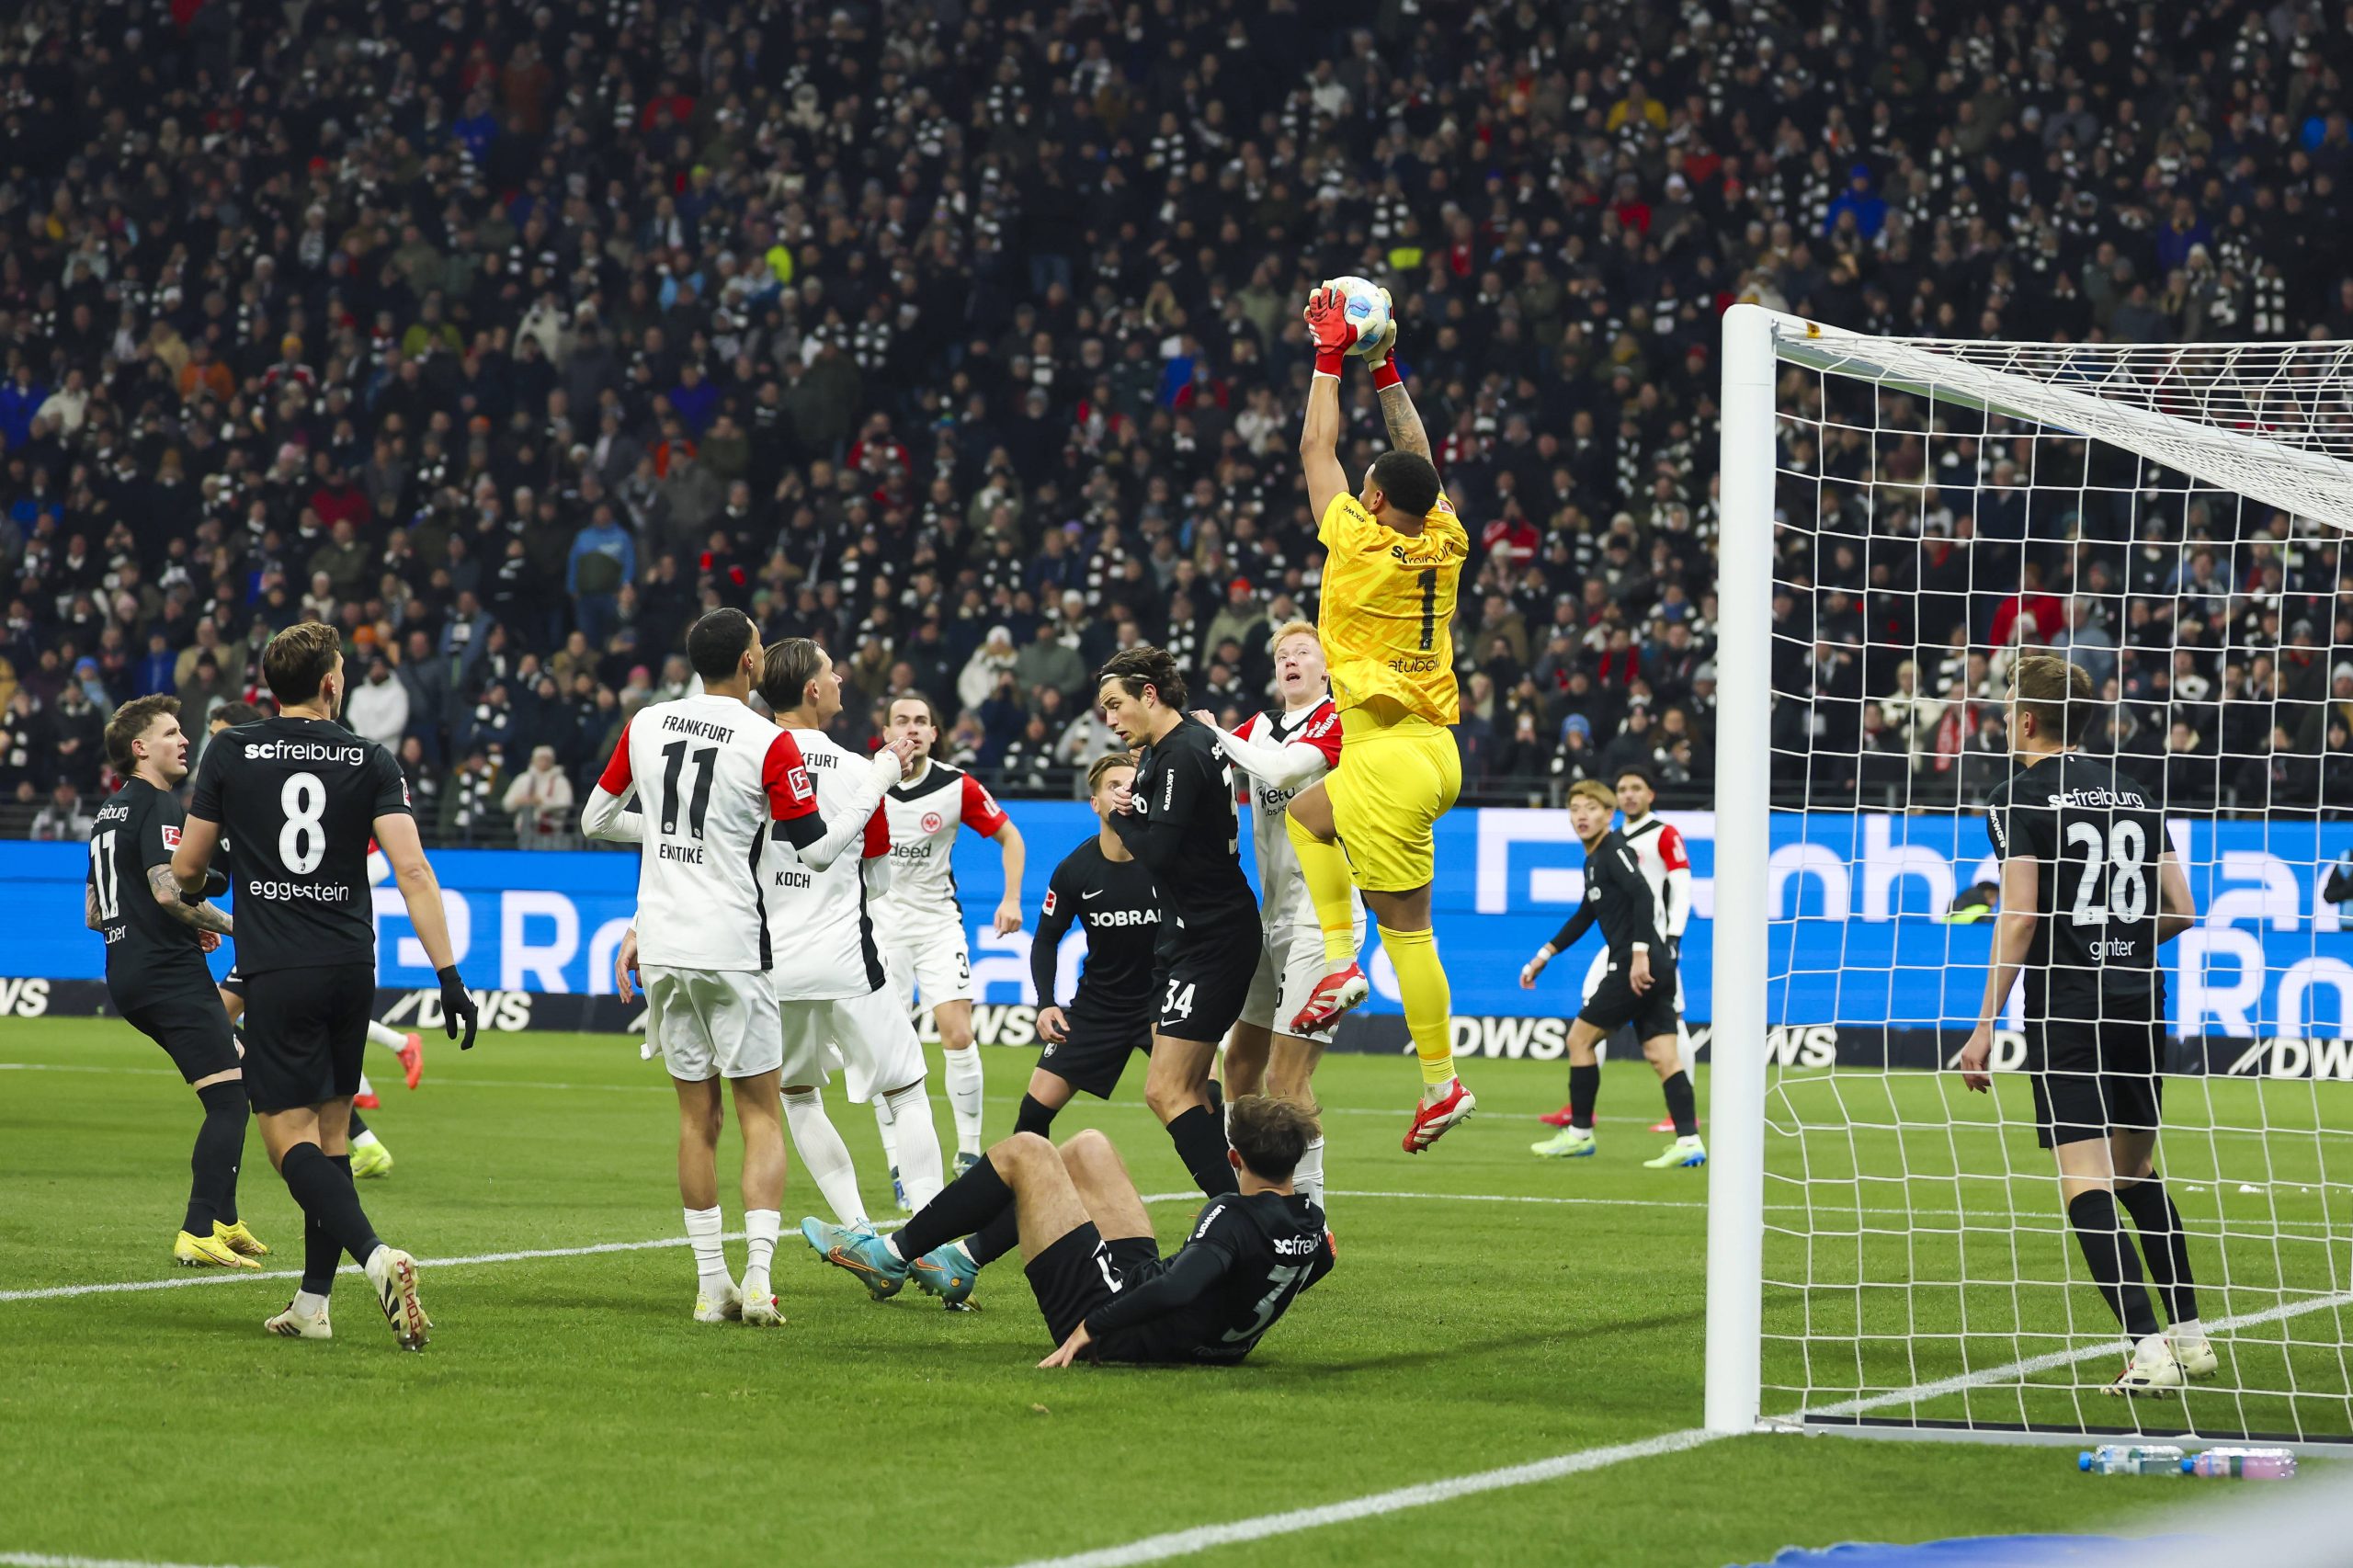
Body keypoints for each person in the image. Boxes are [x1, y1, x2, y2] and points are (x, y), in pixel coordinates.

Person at [584, 608, 916, 1325]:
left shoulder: (645, 724)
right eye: (760, 647)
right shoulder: (768, 742)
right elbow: (819, 850)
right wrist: (882, 771)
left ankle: (712, 1287)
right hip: (734, 947)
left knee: (694, 1119)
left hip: (666, 948)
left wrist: (682, 836)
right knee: (763, 1113)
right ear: (747, 665)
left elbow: (597, 820)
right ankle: (760, 1281)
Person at [169, 622, 478, 1350]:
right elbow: (412, 872)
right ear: (332, 682)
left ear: (271, 688)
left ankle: (376, 1257)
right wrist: (450, 976)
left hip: (277, 968)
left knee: (285, 1142)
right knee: (333, 1136)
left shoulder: (231, 750)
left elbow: (186, 870)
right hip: (349, 964)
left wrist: (227, 875)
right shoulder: (369, 758)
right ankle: (312, 1303)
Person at [1959, 654, 2212, 1395]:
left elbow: (2021, 916)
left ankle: (2147, 1349)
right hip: (2140, 999)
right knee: (2136, 1172)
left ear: (2028, 720)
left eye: (2010, 712)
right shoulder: (2136, 792)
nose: (2008, 724)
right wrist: (2123, 942)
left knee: (2084, 1181)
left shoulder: (2018, 797)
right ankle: (2191, 1337)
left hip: (2069, 1004)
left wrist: (1984, 1026)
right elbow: (2183, 909)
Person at [1283, 285, 1475, 1153]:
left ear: (1371, 496)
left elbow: (1313, 443)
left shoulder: (1356, 540)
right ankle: (1336, 958)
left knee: (1410, 930)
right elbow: (1417, 456)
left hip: (1386, 753)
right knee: (1306, 814)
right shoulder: (1447, 538)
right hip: (1435, 750)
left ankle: (1441, 1081)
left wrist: (1329, 357)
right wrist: (1383, 361)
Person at [807, 1095, 1334, 1367]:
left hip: (1121, 1325)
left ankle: (891, 1255)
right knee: (1087, 1147)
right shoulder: (1310, 1222)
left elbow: (1180, 1287)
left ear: (1235, 1157)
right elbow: (1318, 1261)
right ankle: (960, 1261)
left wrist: (1092, 1327)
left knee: (1028, 1150)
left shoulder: (1232, 1213)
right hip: (1162, 1313)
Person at [206, 701, 420, 1179]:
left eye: (219, 733)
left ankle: (324, 1124)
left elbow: (394, 863)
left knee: (216, 1021)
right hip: (275, 940)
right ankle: (358, 1139)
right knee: (262, 1034)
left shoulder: (281, 788)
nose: (211, 743)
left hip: (293, 940)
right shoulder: (233, 793)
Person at [84, 695, 260, 1269]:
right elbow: (168, 890)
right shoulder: (160, 804)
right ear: (140, 748)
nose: (185, 742)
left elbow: (95, 910)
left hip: (129, 971)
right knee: (229, 1099)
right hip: (167, 975)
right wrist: (239, 930)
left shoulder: (108, 813)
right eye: (172, 733)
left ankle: (226, 1221)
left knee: (242, 1079)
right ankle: (196, 1228)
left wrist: (176, 921)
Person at [1193, 619, 1359, 1207]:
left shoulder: (1337, 721)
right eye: (1282, 654)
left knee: (1289, 1080)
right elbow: (1210, 762)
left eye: (1302, 652)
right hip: (1268, 919)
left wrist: (1218, 737)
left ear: (1325, 666)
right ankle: (1247, 1195)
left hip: (1323, 918)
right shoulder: (1259, 728)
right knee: (1239, 1065)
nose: (1289, 660)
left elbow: (1285, 771)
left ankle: (1310, 1209)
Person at [1095, 643, 1263, 1198]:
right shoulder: (1182, 742)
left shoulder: (1181, 751)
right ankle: (1239, 1200)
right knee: (1188, 1084)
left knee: (1167, 1089)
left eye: (1116, 705)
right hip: (1189, 932)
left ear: (1150, 693)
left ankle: (1234, 1210)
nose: (1111, 720)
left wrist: (1122, 819)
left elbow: (1160, 852)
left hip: (1213, 937)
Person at [869, 694, 1027, 1197]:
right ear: (886, 728)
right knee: (888, 1049)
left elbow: (1011, 838)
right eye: (902, 720)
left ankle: (968, 1152)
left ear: (935, 733)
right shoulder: (865, 782)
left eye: (920, 721)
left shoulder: (957, 786)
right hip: (881, 930)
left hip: (938, 926)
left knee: (958, 1034)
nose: (911, 729)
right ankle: (898, 1164)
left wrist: (1010, 898)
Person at [1519, 779, 1705, 1168]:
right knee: (1661, 1054)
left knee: (1579, 1040)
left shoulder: (1613, 850)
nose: (1582, 816)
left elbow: (1644, 894)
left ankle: (1579, 1134)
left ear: (1609, 814)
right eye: (1575, 809)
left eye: (1591, 808)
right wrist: (1544, 955)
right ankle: (1689, 1140)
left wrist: (1637, 956)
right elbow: (1586, 914)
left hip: (1634, 964)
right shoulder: (1595, 861)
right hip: (1656, 963)